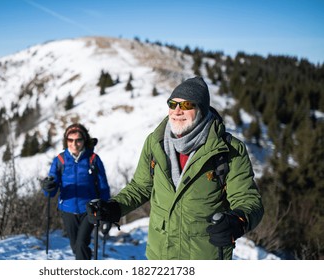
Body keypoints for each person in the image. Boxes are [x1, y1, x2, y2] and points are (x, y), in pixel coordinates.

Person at [86, 76, 264, 260]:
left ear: (201, 109)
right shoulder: (156, 143)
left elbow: (247, 199)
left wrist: (238, 221)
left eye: (186, 105)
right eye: (172, 104)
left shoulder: (229, 149)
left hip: (205, 255)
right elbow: (140, 187)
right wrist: (114, 207)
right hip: (160, 254)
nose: (177, 111)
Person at [41, 123, 111, 260]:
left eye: (78, 140)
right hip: (67, 209)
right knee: (75, 246)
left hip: (89, 209)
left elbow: (103, 187)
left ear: (84, 141)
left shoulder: (93, 159)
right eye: (70, 140)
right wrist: (48, 187)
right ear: (66, 141)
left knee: (81, 244)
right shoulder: (60, 160)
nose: (74, 144)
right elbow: (51, 190)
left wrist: (107, 213)